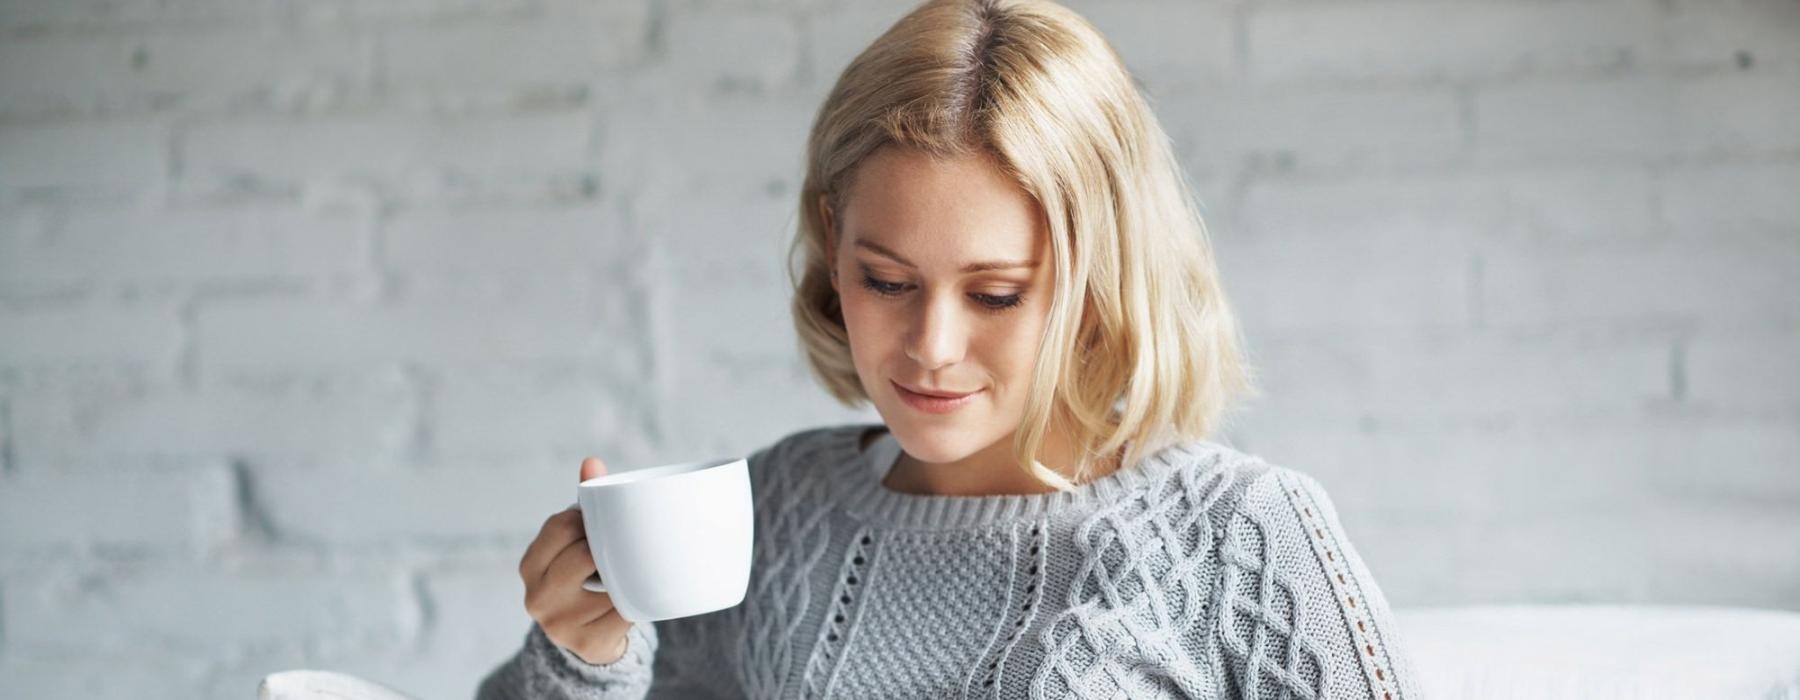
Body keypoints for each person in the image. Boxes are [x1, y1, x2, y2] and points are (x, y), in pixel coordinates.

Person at [477, 0, 1422, 697]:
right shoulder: (771, 515)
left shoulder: (1239, 537)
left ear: (1103, 282)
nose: (930, 346)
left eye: (997, 293)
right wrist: (581, 653)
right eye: (886, 280)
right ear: (831, 240)